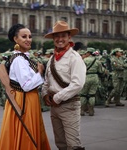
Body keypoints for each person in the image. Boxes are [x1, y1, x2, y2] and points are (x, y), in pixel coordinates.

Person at [0, 24, 51, 150]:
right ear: (16, 39)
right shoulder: (19, 60)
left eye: (30, 36)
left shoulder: (23, 57)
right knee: (27, 133)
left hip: (27, 99)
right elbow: (26, 85)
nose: (28, 39)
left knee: (29, 131)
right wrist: (40, 73)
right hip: (24, 100)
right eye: (24, 36)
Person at [41, 21, 86, 150]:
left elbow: (78, 84)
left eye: (63, 36)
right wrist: (45, 94)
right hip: (54, 107)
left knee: (73, 144)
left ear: (69, 37)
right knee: (60, 144)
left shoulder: (74, 58)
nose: (60, 39)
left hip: (69, 105)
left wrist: (57, 97)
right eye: (57, 36)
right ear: (53, 39)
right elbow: (47, 81)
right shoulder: (52, 58)